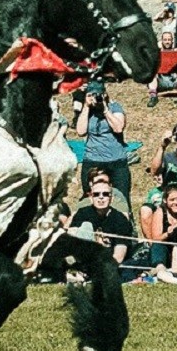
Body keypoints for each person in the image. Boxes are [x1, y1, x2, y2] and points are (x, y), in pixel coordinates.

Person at [74, 83, 132, 212]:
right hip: (93, 161)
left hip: (116, 161)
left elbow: (118, 128)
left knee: (121, 198)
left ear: (105, 94)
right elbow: (80, 131)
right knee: (90, 196)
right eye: (92, 95)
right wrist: (86, 107)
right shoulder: (88, 111)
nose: (96, 99)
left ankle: (126, 227)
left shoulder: (115, 107)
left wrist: (105, 110)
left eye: (98, 95)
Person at [67, 179, 132, 265]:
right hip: (82, 260)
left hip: (108, 263)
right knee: (86, 226)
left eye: (105, 194)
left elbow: (119, 255)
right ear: (91, 198)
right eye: (96, 194)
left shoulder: (120, 219)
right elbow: (71, 239)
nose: (101, 197)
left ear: (111, 198)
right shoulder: (82, 213)